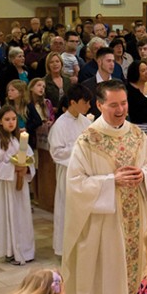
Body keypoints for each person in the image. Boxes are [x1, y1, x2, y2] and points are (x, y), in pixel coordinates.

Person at [62, 80, 147, 294]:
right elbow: (75, 184)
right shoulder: (88, 140)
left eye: (124, 103)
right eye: (114, 105)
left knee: (137, 274)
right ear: (99, 104)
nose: (121, 110)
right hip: (106, 223)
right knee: (109, 275)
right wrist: (110, 181)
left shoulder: (137, 135)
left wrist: (145, 175)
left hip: (136, 219)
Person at [47, 86, 91, 257]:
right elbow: (56, 153)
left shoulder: (85, 121)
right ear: (73, 102)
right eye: (85, 102)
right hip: (68, 173)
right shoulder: (60, 125)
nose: (88, 105)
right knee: (68, 210)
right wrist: (79, 147)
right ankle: (65, 249)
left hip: (85, 173)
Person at [0, 107, 36, 265]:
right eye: (7, 119)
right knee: (9, 215)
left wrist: (26, 168)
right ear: (0, 121)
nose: (11, 123)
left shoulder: (19, 138)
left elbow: (30, 156)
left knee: (22, 216)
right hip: (7, 186)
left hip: (20, 184)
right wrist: (13, 168)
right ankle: (11, 251)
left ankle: (25, 250)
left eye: (13, 119)